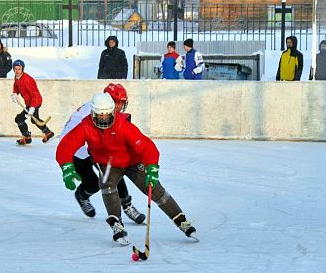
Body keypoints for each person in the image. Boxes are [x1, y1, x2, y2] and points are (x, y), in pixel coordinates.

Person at [56, 92, 197, 245]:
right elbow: (65, 147)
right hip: (108, 163)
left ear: (113, 112)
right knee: (106, 184)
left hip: (132, 162)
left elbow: (147, 146)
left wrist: (152, 168)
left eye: (107, 115)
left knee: (154, 189)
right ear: (92, 113)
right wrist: (67, 168)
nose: (103, 118)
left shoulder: (124, 126)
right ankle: (116, 223)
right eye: (99, 115)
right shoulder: (86, 126)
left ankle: (181, 220)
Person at [58, 83, 145, 224]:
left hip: (85, 146)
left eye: (122, 103)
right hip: (75, 150)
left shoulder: (101, 107)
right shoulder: (98, 112)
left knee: (112, 167)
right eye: (119, 103)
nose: (120, 107)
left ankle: (127, 205)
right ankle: (82, 195)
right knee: (93, 183)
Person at [11, 59, 54, 145]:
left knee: (19, 119)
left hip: (35, 101)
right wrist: (15, 93)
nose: (17, 71)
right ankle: (47, 133)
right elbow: (16, 85)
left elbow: (35, 96)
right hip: (29, 103)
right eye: (15, 69)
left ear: (22, 69)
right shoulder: (17, 77)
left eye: (19, 69)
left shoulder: (27, 80)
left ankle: (27, 137)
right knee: (34, 120)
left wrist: (32, 108)